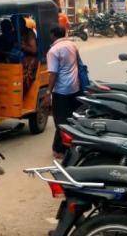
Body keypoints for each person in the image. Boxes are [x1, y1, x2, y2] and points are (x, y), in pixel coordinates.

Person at [42, 26, 81, 160]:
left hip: (61, 91)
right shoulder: (72, 45)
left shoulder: (53, 50)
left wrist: (48, 93)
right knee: (71, 118)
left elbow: (53, 74)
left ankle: (58, 149)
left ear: (53, 35)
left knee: (60, 120)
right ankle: (65, 146)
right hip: (74, 88)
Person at [20, 17, 39, 95]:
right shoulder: (17, 32)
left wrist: (23, 46)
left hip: (31, 59)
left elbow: (34, 50)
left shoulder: (29, 33)